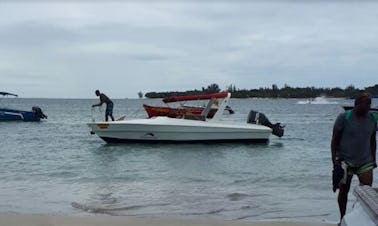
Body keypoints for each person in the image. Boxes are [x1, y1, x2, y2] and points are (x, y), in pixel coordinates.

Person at [331, 93, 377, 222]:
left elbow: (373, 140)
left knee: (367, 194)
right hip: (345, 161)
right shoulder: (344, 117)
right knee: (343, 192)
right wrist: (333, 159)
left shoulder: (373, 119)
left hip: (365, 161)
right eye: (366, 103)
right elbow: (334, 139)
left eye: (370, 103)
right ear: (357, 104)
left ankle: (361, 219)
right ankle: (342, 218)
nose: (368, 106)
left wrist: (374, 159)